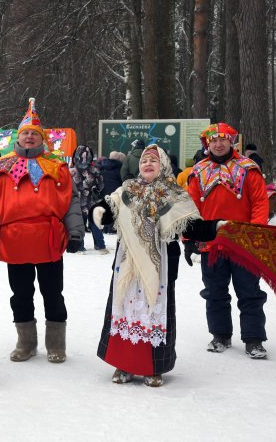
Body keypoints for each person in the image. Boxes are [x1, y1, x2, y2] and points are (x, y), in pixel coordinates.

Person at [92, 145, 223, 386]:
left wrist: (214, 227)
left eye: (153, 160)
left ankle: (154, 367)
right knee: (125, 309)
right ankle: (123, 364)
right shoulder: (127, 190)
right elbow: (109, 207)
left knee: (154, 313)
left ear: (163, 164)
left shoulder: (174, 194)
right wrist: (99, 210)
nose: (148, 164)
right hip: (127, 263)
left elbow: (190, 225)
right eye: (144, 161)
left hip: (159, 266)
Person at [0, 97, 84, 364]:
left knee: (53, 293)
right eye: (25, 133)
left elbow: (71, 201)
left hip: (49, 240)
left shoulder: (58, 167)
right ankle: (26, 343)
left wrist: (75, 232)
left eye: (34, 134)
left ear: (42, 139)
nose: (29, 137)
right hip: (14, 242)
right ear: (19, 137)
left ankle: (56, 344)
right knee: (20, 294)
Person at [187, 123, 270, 359]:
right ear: (207, 144)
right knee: (214, 292)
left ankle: (254, 339)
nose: (219, 144)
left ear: (231, 142)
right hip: (211, 244)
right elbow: (190, 208)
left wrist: (255, 234)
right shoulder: (198, 171)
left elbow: (260, 203)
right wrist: (188, 238)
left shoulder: (248, 169)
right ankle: (220, 334)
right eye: (214, 140)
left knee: (250, 292)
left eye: (223, 140)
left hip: (243, 243)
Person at [70, 145, 107, 253]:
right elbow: (101, 186)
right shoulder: (95, 169)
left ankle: (80, 247)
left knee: (79, 225)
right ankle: (100, 246)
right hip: (92, 201)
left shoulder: (71, 170)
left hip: (76, 202)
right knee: (95, 223)